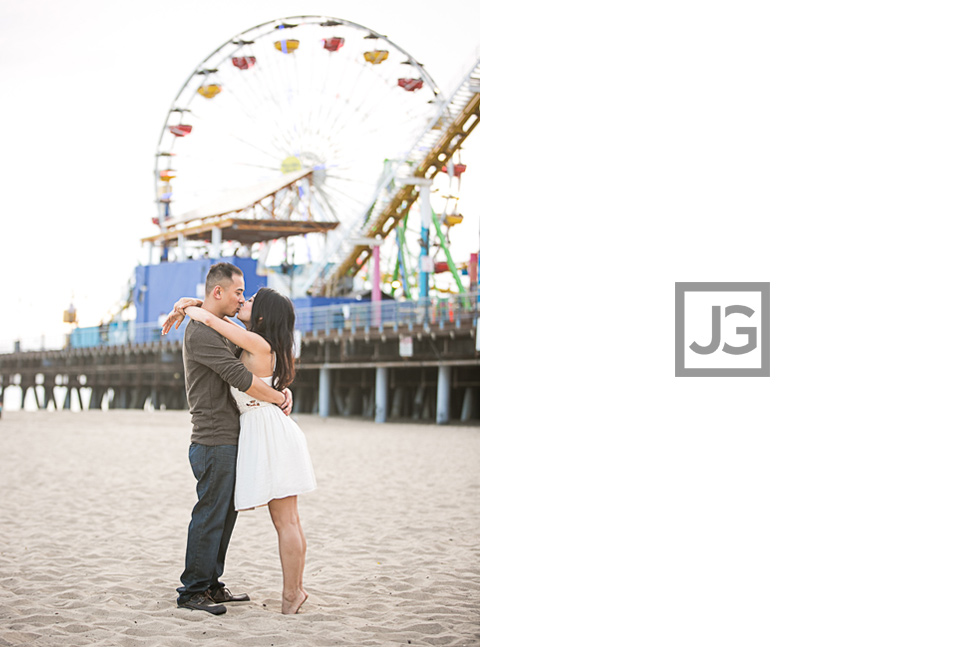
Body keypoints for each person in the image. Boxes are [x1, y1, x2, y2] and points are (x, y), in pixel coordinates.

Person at [166, 285, 316, 615]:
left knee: (286, 523)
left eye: (249, 300)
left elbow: (210, 318)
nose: (242, 302)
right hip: (271, 429)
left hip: (268, 431)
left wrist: (184, 305)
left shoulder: (257, 342)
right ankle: (295, 590)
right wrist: (188, 302)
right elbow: (216, 318)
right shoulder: (262, 341)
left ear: (261, 315)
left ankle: (293, 593)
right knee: (289, 521)